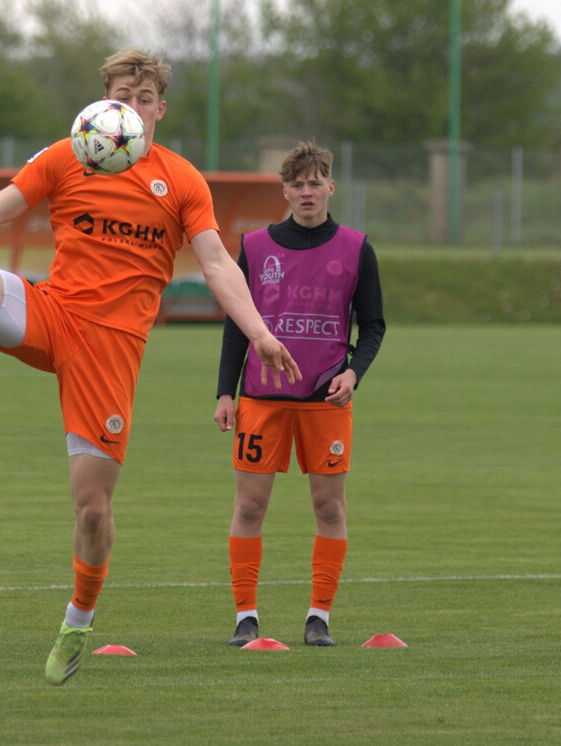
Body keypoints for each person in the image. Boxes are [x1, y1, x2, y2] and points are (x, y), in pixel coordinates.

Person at [0, 48, 302, 686]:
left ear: (160, 109)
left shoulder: (181, 181)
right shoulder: (67, 155)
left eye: (141, 99)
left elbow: (218, 263)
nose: (128, 109)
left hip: (109, 351)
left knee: (91, 509)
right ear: (98, 104)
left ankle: (77, 621)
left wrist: (259, 332)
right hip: (52, 312)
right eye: (118, 97)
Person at [214, 141, 384, 649]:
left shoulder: (357, 248)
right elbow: (235, 326)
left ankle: (319, 618)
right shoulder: (255, 246)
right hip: (262, 400)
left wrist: (354, 373)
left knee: (330, 508)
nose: (307, 192)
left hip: (325, 403)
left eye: (316, 183)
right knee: (249, 506)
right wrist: (226, 391)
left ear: (331, 187)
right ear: (284, 190)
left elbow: (373, 326)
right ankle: (246, 617)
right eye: (298, 184)